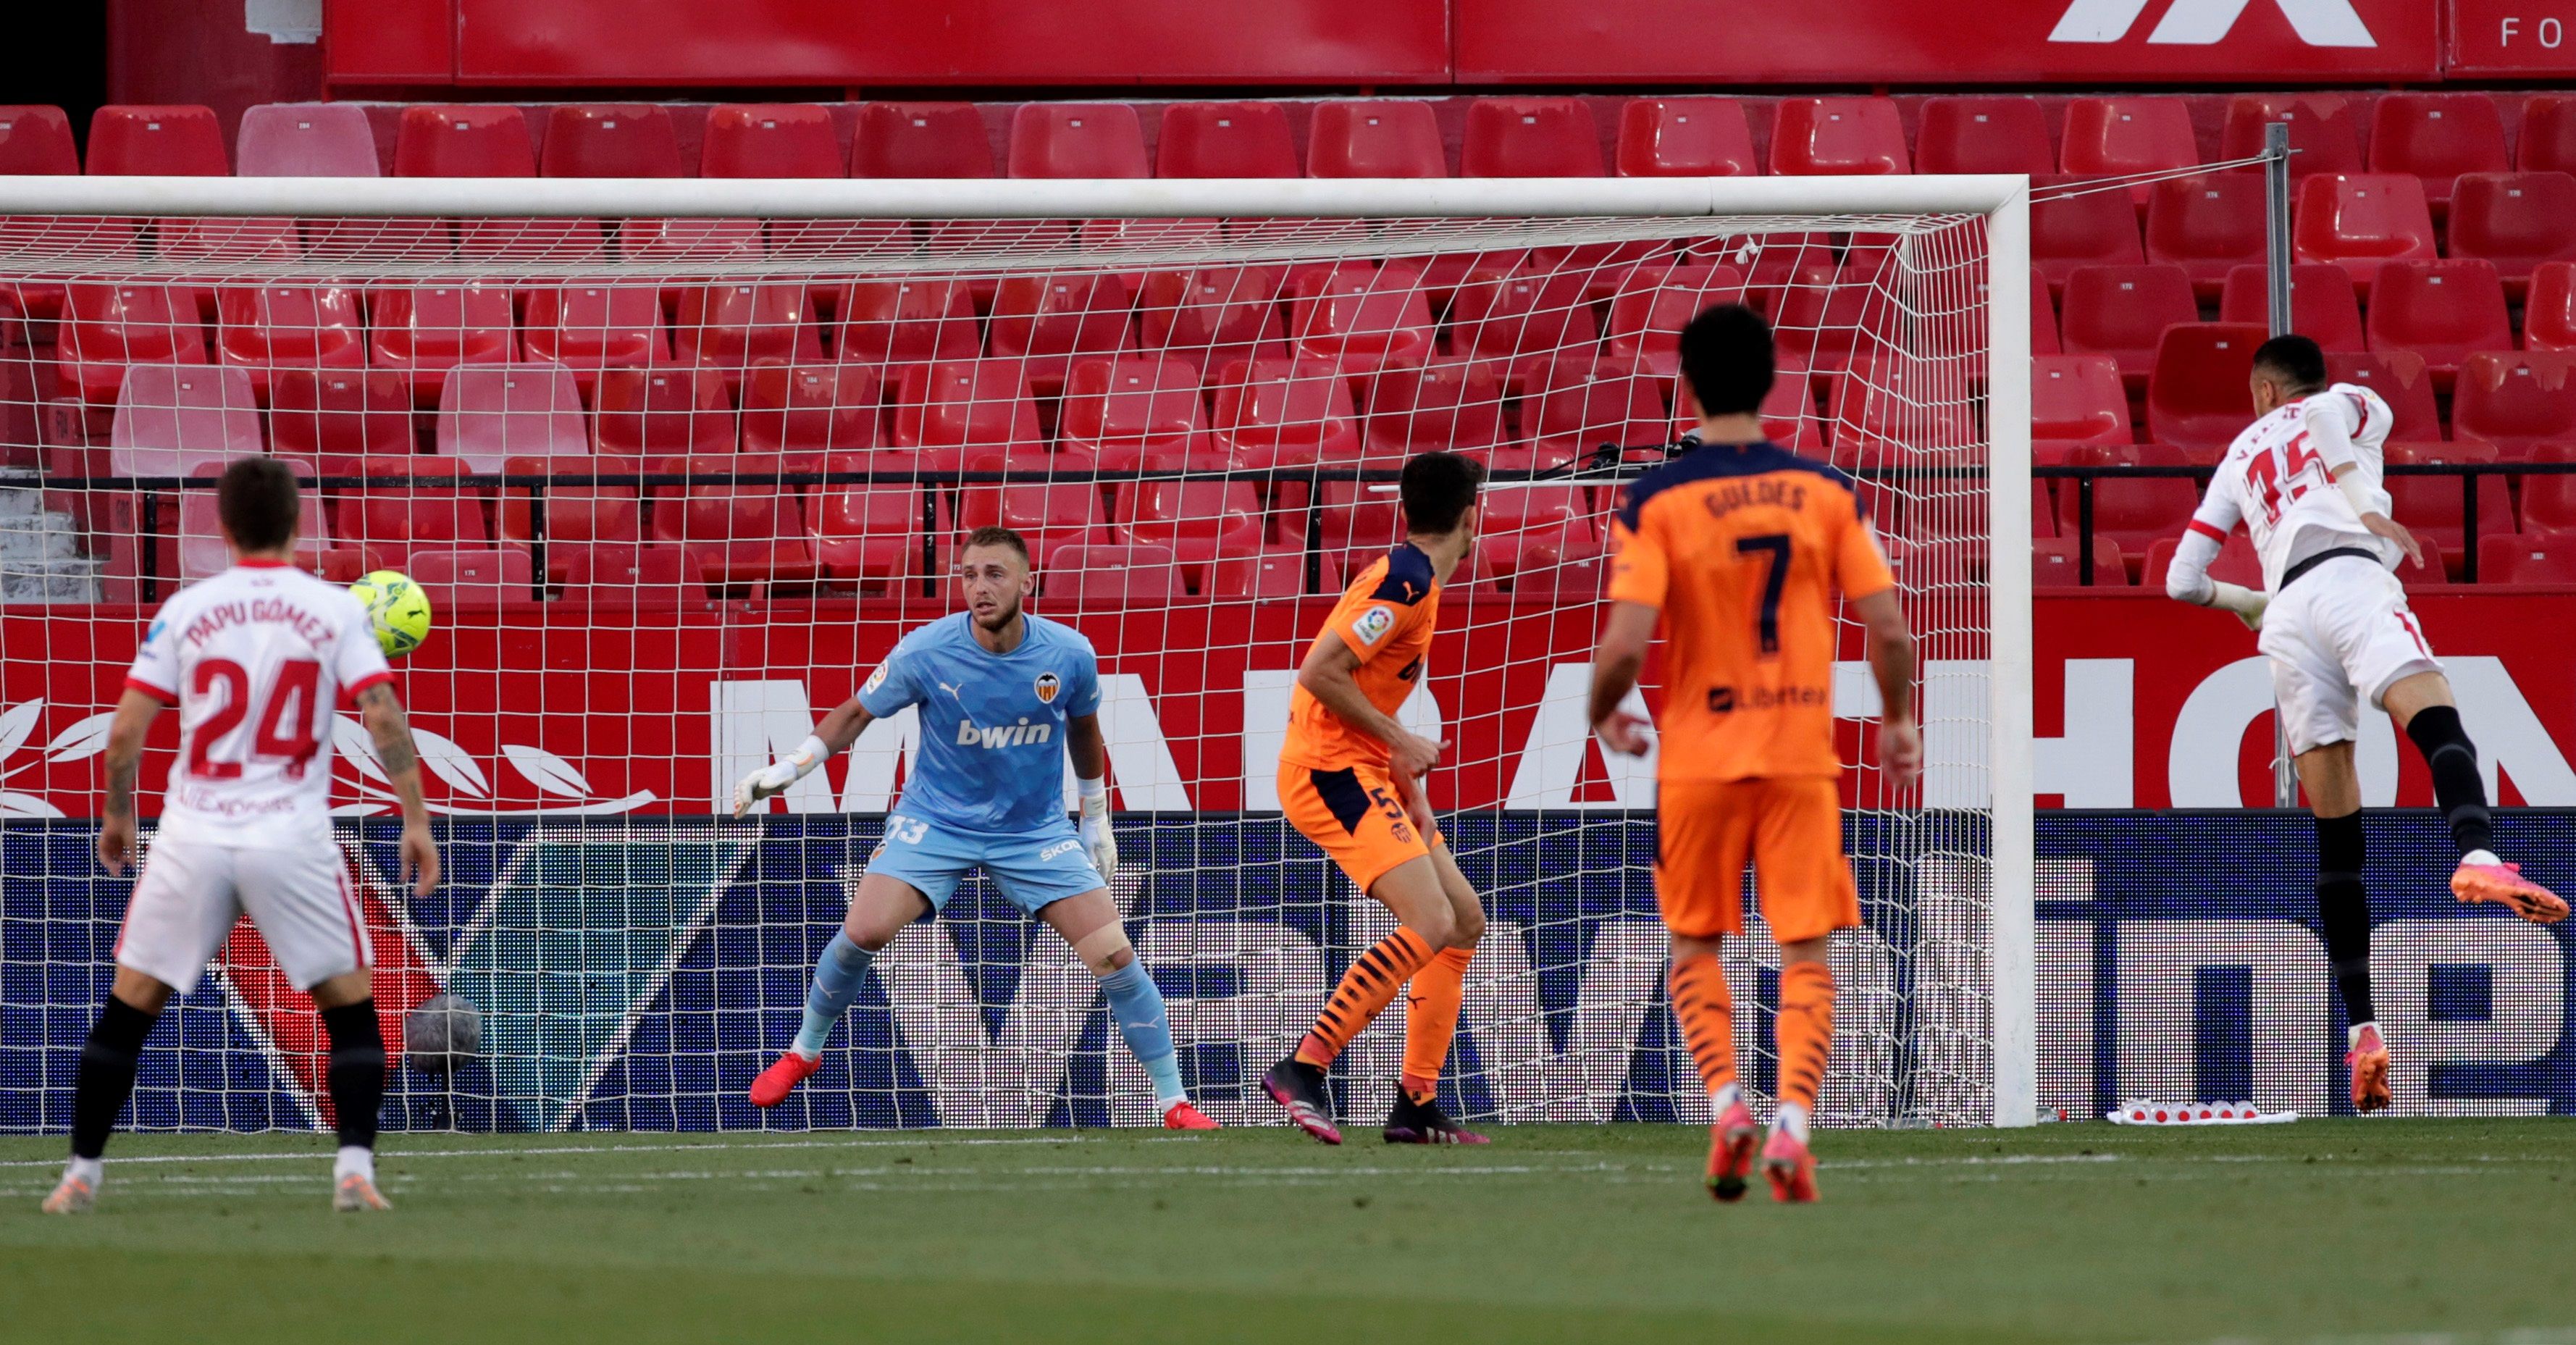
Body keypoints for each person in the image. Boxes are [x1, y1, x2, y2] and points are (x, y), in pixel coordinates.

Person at [2164, 333, 2567, 1113]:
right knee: (2434, 717)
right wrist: (2374, 512)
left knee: (2336, 840)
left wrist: (2247, 603)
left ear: (2258, 391)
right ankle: (2477, 852)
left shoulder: (2238, 452)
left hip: (2284, 614)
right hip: (2350, 575)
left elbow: (2182, 580)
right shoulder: (2358, 404)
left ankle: (2362, 1033)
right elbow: (2319, 421)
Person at [46, 456, 439, 1215]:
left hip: (194, 832)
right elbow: (382, 715)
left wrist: (119, 814)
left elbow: (126, 728)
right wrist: (415, 819)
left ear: (222, 527)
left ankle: (80, 1176)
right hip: (289, 834)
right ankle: (354, 1168)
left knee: (130, 1008)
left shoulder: (192, 608)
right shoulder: (334, 611)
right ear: (297, 524)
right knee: (349, 1008)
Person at [1588, 305, 1919, 1204]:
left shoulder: (1657, 500)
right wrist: (1896, 720)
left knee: (1693, 943)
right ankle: (1792, 1123)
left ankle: (1727, 1102)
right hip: (1798, 755)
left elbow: (1621, 646)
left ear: (1685, 386)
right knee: (1805, 952)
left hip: (1697, 757)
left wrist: (1605, 711)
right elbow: (1889, 628)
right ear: (1773, 382)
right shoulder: (1826, 494)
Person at [733, 526, 1217, 1130]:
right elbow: (856, 712)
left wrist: (1096, 816)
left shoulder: (1068, 653)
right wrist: (790, 766)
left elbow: (1083, 729)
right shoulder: (926, 651)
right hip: (935, 822)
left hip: (1033, 832)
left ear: (1026, 581)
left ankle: (1173, 1102)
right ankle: (804, 1051)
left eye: (994, 573)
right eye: (968, 574)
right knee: (862, 931)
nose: (979, 587)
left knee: (1115, 955)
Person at [1260, 451, 1492, 1146]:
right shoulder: (1404, 581)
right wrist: (1403, 738)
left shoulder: (1410, 578)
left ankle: (1414, 1104)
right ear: (1472, 518)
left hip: (1366, 768)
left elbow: (1362, 683)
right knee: (1427, 918)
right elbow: (1320, 671)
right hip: (1329, 771)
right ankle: (1304, 1067)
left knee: (1462, 922)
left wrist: (1402, 775)